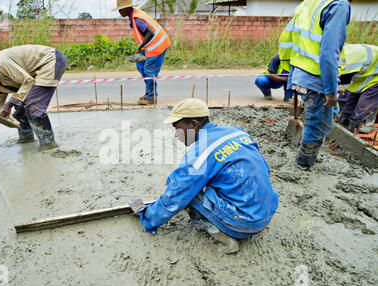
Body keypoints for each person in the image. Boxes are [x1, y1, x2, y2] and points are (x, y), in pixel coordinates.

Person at [129, 98, 279, 254]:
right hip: (267, 212)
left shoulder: (200, 154)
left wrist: (145, 213)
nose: (175, 135)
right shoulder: (237, 132)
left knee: (189, 192)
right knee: (205, 180)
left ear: (194, 125)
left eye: (178, 128)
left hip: (244, 224)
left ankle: (223, 238)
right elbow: (265, 170)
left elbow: (176, 194)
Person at [279, 0, 351, 171]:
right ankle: (303, 165)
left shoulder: (309, 3)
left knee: (328, 114)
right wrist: (331, 91)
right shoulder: (339, 5)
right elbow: (328, 52)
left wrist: (292, 71)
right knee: (318, 126)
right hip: (317, 77)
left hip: (301, 71)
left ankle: (305, 157)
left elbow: (286, 39)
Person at [0, 44, 68, 151]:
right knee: (20, 107)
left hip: (50, 61)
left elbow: (28, 81)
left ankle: (48, 146)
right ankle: (26, 139)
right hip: (32, 72)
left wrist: (9, 104)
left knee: (32, 106)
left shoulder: (0, 64)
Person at [113, 0, 170, 105]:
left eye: (120, 9)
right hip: (151, 45)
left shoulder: (137, 19)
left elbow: (150, 33)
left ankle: (152, 97)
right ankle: (149, 92)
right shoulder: (134, 16)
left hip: (158, 45)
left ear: (127, 8)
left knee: (149, 71)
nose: (119, 12)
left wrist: (139, 48)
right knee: (140, 65)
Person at [338, 44, 378, 134]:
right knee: (350, 101)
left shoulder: (344, 63)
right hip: (366, 72)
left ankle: (351, 132)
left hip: (374, 74)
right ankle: (342, 127)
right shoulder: (338, 53)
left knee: (364, 105)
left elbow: (341, 84)